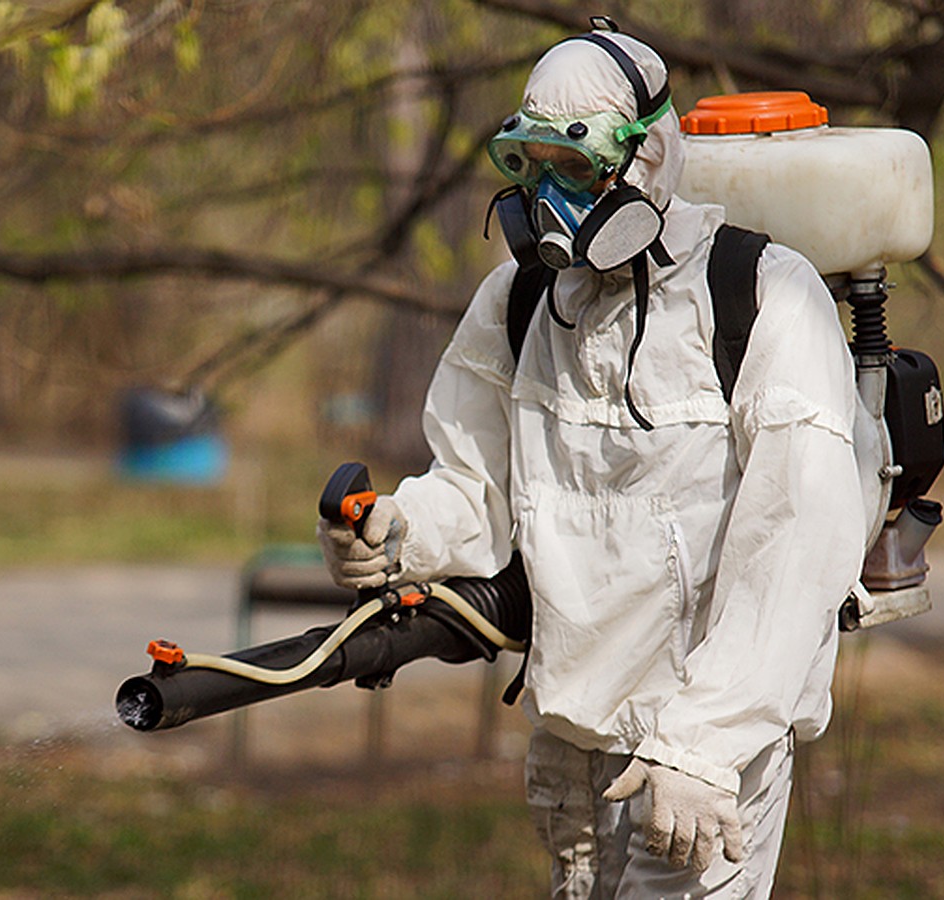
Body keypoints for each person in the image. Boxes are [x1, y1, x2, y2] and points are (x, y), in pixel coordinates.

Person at [317, 23, 866, 899]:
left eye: (573, 170)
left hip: (702, 753)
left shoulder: (765, 295)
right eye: (529, 168)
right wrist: (400, 532)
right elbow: (477, 486)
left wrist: (704, 745)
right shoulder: (520, 300)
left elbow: (796, 543)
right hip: (574, 741)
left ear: (646, 157)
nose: (548, 200)